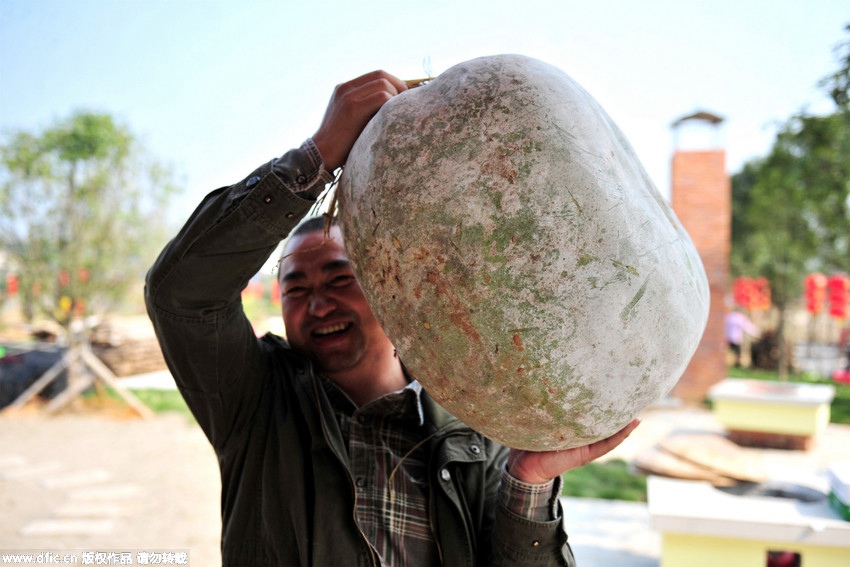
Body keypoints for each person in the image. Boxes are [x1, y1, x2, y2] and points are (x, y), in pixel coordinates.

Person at [146, 70, 638, 566]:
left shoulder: (478, 427)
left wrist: (529, 481)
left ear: (389, 288)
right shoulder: (255, 401)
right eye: (296, 288)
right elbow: (180, 293)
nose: (318, 304)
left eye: (340, 279)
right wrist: (315, 157)